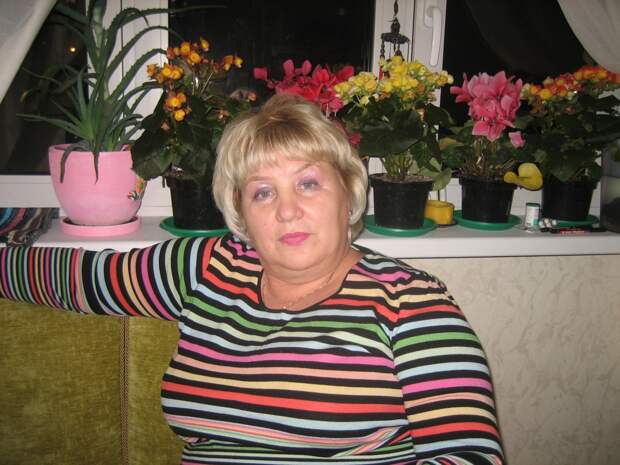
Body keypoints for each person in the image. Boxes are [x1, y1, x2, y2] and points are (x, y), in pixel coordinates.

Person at [0, 94, 504, 464]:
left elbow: (468, 455)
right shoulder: (208, 269)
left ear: (349, 192)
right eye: (263, 192)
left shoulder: (411, 302)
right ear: (240, 212)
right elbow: (79, 279)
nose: (287, 210)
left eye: (308, 183)